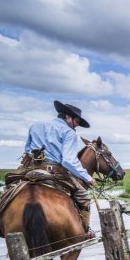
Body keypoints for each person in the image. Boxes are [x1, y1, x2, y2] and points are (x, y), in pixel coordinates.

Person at [22, 100, 96, 238]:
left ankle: (0, 224)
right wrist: (88, 178)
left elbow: (27, 149)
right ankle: (84, 232)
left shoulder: (35, 126)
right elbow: (68, 160)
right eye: (77, 121)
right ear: (68, 117)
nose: (77, 125)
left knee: (9, 189)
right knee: (83, 197)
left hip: (31, 169)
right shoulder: (69, 133)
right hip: (54, 171)